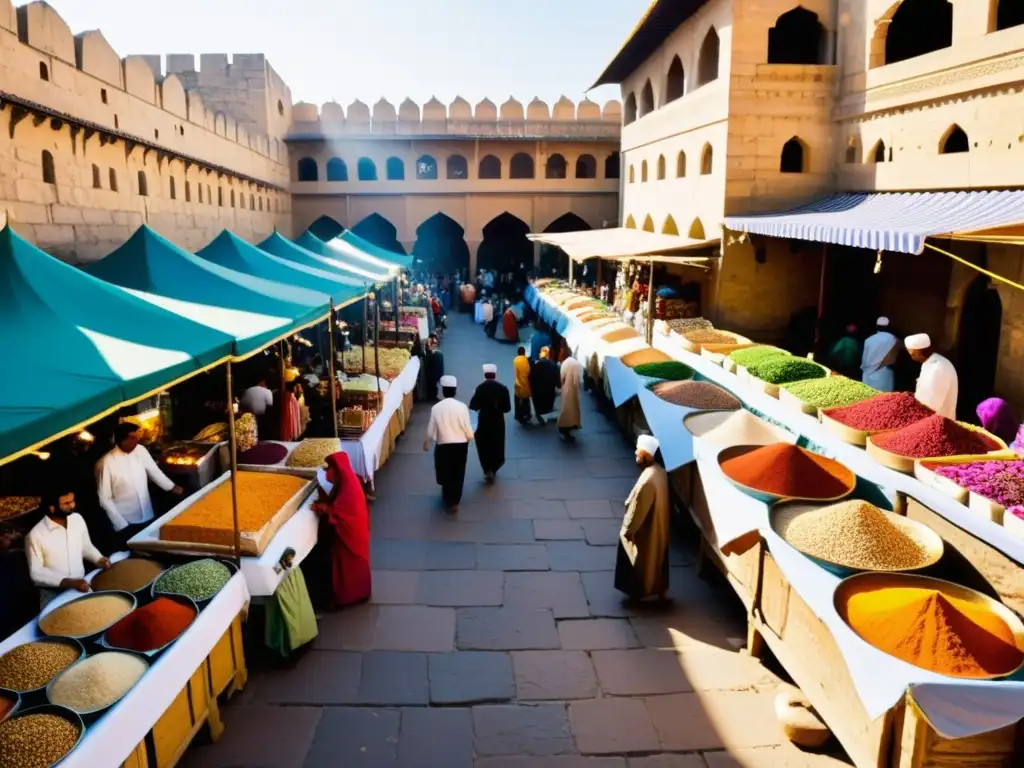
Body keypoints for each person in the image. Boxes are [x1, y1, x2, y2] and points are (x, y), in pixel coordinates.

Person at [96, 423, 182, 545]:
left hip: (147, 514)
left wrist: (172, 487)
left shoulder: (141, 450)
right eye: (132, 438)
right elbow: (104, 498)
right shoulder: (106, 463)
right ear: (121, 439)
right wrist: (120, 523)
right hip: (126, 521)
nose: (136, 441)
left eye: (137, 437)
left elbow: (154, 472)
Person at [27, 488, 110, 608]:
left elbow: (86, 547)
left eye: (72, 501)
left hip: (82, 586)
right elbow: (36, 573)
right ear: (52, 508)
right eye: (66, 503)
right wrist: (70, 582)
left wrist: (99, 559)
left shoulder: (77, 519)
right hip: (53, 595)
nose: (72, 505)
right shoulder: (35, 535)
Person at [309, 453, 371, 608]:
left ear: (338, 470)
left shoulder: (349, 487)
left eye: (329, 468)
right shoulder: (345, 481)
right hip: (351, 537)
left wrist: (322, 508)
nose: (327, 472)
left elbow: (341, 512)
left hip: (351, 539)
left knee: (346, 568)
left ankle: (348, 597)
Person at [615, 435, 670, 602]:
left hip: (647, 529)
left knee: (641, 560)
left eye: (638, 452)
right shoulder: (659, 473)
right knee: (657, 559)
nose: (635, 453)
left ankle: (637, 591)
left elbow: (637, 511)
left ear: (647, 455)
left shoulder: (647, 480)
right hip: (660, 525)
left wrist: (627, 531)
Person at [424, 375, 475, 512]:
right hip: (460, 446)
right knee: (458, 473)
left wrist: (427, 442)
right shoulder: (462, 407)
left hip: (443, 446)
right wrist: (470, 437)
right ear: (455, 390)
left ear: (443, 391)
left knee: (445, 471)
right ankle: (455, 501)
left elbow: (431, 428)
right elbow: (467, 426)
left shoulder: (436, 408)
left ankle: (448, 497)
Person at [470, 364, 512, 482]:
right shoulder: (502, 388)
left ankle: (487, 468)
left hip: (483, 421)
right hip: (498, 421)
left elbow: (473, 405)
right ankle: (494, 467)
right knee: (497, 444)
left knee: (484, 445)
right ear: (495, 375)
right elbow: (507, 408)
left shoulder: (480, 388)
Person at [905, 333, 958, 419]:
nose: (911, 355)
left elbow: (932, 404)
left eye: (912, 353)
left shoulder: (938, 367)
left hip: (938, 420)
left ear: (918, 352)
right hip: (926, 416)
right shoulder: (929, 363)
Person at [861, 317, 899, 392]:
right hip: (884, 374)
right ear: (888, 327)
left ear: (876, 326)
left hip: (868, 374)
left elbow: (864, 360)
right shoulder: (893, 339)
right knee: (884, 399)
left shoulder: (868, 340)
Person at [529, 347, 560, 425]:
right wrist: (558, 385)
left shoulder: (536, 365)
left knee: (539, 406)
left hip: (537, 391)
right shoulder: (553, 365)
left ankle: (540, 417)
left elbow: (530, 377)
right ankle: (547, 414)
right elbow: (557, 378)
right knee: (548, 404)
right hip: (549, 390)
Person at [558, 355, 583, 442]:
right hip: (574, 390)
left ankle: (563, 427)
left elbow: (561, 377)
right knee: (573, 409)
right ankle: (571, 426)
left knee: (565, 409)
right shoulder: (577, 364)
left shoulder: (564, 363)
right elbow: (579, 379)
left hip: (566, 389)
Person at [513, 347, 533, 424]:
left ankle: (518, 415)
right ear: (524, 353)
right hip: (527, 386)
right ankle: (527, 414)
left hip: (518, 385)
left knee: (517, 400)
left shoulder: (515, 360)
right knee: (526, 400)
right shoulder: (527, 360)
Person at [425, 335, 445, 401]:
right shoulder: (438, 354)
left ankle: (431, 395)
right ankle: (432, 395)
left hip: (433, 372)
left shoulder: (436, 353)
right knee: (433, 383)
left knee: (432, 383)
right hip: (434, 372)